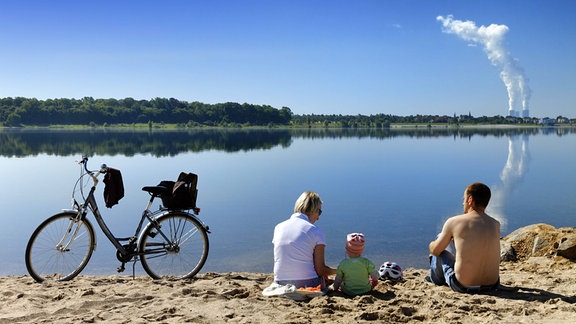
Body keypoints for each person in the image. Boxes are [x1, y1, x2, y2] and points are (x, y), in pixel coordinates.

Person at [428, 182, 501, 293]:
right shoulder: (495, 224)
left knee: (439, 245)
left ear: (470, 200)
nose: (463, 203)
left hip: (462, 285)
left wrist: (432, 244)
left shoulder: (454, 221)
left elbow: (435, 250)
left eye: (464, 199)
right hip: (493, 285)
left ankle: (436, 280)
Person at [272, 191, 336, 289]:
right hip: (307, 284)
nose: (318, 217)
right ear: (313, 209)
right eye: (319, 212)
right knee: (324, 277)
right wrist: (338, 270)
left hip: (280, 282)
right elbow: (320, 270)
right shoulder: (315, 231)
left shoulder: (278, 227)